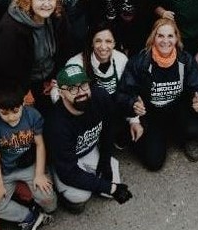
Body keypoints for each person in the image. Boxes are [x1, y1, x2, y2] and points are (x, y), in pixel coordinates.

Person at [118, 17, 198, 168]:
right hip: (151, 113)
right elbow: (124, 92)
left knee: (193, 129)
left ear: (176, 38)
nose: (165, 41)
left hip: (176, 108)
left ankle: (180, 138)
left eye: (170, 36)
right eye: (160, 35)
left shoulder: (185, 59)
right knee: (153, 163)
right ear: (153, 37)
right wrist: (133, 104)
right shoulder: (140, 61)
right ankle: (148, 138)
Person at [45, 63, 133, 213]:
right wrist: (109, 188)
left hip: (89, 149)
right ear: (61, 92)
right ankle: (54, 174)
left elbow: (109, 129)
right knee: (79, 197)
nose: (81, 92)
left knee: (109, 185)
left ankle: (95, 175)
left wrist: (105, 160)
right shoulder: (56, 124)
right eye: (72, 88)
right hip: (67, 161)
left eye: (84, 85)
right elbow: (69, 172)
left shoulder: (100, 96)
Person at [0, 84, 57, 230]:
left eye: (15, 111)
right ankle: (30, 217)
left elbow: (40, 145)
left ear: (23, 104)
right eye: (4, 113)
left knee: (49, 200)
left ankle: (42, 209)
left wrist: (39, 174)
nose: (11, 117)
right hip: (6, 170)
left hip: (29, 165)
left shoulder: (32, 116)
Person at [0, 0, 69, 110]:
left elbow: (65, 47)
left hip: (50, 75)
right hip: (24, 83)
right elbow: (9, 67)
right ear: (29, 0)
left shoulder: (57, 16)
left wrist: (56, 78)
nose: (47, 4)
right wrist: (24, 92)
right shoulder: (10, 28)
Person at [67, 25, 130, 98]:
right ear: (92, 43)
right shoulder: (76, 64)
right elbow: (62, 91)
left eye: (108, 41)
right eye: (98, 41)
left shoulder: (121, 59)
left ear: (114, 44)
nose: (103, 47)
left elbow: (127, 89)